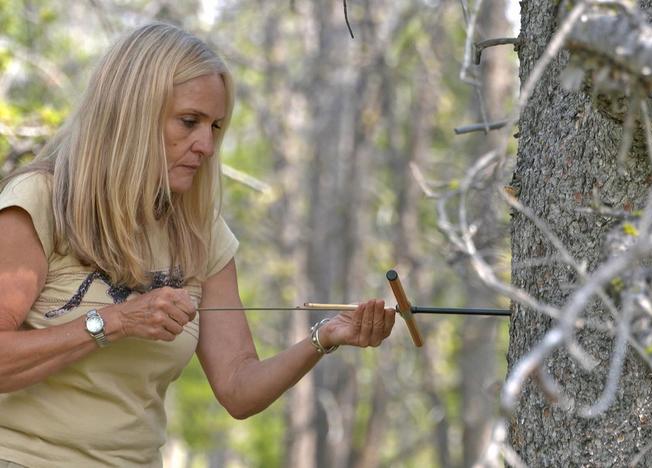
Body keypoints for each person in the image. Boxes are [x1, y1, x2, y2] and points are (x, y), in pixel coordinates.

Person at [0, 22, 395, 468]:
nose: (206, 145)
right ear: (133, 112)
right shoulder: (39, 200)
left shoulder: (198, 230)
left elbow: (238, 388)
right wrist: (114, 321)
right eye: (189, 122)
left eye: (216, 126)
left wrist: (324, 337)